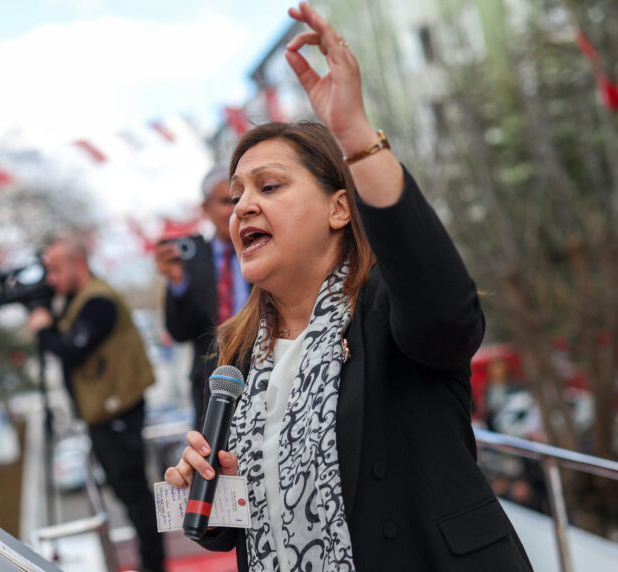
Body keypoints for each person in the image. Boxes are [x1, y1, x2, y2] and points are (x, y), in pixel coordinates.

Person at [164, 3, 532, 571]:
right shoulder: (234, 353)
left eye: (269, 185)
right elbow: (224, 536)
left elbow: (450, 315)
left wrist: (356, 137)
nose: (244, 207)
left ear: (340, 207)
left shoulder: (388, 307)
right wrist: (201, 491)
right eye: (236, 196)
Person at [28, 234, 165, 572]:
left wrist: (43, 330)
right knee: (129, 498)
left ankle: (154, 565)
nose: (52, 279)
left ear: (79, 264)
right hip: (105, 415)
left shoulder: (98, 302)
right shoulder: (80, 301)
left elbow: (70, 350)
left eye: (57, 269)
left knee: (136, 499)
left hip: (118, 414)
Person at [156, 165, 250, 429]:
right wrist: (176, 282)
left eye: (240, 200)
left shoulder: (266, 250)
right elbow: (179, 332)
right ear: (206, 209)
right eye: (226, 201)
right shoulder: (192, 262)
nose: (236, 210)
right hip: (211, 387)